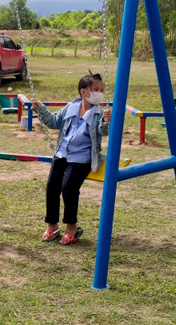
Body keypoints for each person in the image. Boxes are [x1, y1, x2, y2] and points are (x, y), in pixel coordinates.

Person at [33, 72, 111, 245]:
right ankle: (52, 226)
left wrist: (106, 121)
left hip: (82, 158)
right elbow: (54, 122)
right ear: (84, 92)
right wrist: (41, 108)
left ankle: (71, 228)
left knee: (68, 188)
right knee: (52, 187)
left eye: (101, 90)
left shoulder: (99, 113)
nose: (99, 93)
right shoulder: (70, 108)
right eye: (95, 89)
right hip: (62, 154)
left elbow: (104, 132)